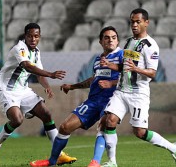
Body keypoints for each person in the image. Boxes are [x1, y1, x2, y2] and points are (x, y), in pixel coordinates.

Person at [99, 8, 176, 167]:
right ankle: (112, 162)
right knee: (109, 121)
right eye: (132, 21)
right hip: (121, 90)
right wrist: (110, 65)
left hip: (138, 93)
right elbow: (125, 66)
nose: (134, 25)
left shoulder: (151, 46)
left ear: (146, 23)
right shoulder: (129, 42)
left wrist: (136, 69)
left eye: (138, 21)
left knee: (139, 132)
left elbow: (152, 73)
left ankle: (174, 149)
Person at [29, 26, 123, 167]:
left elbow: (130, 77)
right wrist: (72, 86)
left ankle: (95, 162)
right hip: (93, 100)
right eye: (107, 38)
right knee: (65, 127)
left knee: (104, 125)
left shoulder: (122, 55)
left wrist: (111, 83)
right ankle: (52, 161)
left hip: (111, 100)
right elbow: (94, 79)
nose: (110, 40)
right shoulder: (98, 60)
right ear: (100, 41)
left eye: (113, 38)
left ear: (118, 41)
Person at [0, 23, 77, 165]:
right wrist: (51, 74)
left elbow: (38, 73)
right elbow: (28, 66)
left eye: (36, 36)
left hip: (22, 89)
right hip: (6, 89)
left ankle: (58, 154)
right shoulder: (19, 48)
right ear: (25, 36)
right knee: (17, 120)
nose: (33, 39)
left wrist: (47, 86)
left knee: (46, 114)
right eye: (30, 36)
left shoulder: (36, 52)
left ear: (39, 37)